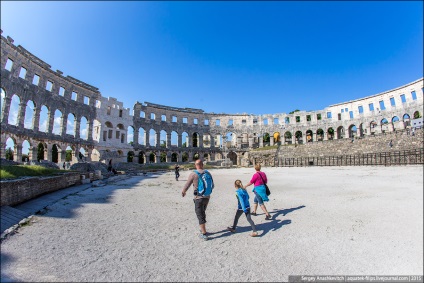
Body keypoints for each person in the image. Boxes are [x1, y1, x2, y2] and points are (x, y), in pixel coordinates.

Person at [181, 159, 214, 241]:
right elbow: (212, 185)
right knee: (202, 212)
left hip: (198, 198)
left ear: (196, 165)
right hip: (207, 197)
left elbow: (187, 184)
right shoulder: (208, 173)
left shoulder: (193, 174)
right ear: (202, 165)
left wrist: (183, 192)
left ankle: (204, 234)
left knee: (200, 215)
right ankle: (203, 229)